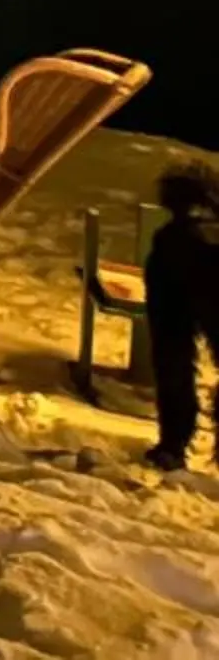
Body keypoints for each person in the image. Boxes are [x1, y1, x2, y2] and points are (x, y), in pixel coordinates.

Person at [147, 164, 218, 473]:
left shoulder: (167, 240)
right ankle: (173, 444)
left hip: (172, 282)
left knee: (172, 360)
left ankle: (173, 445)